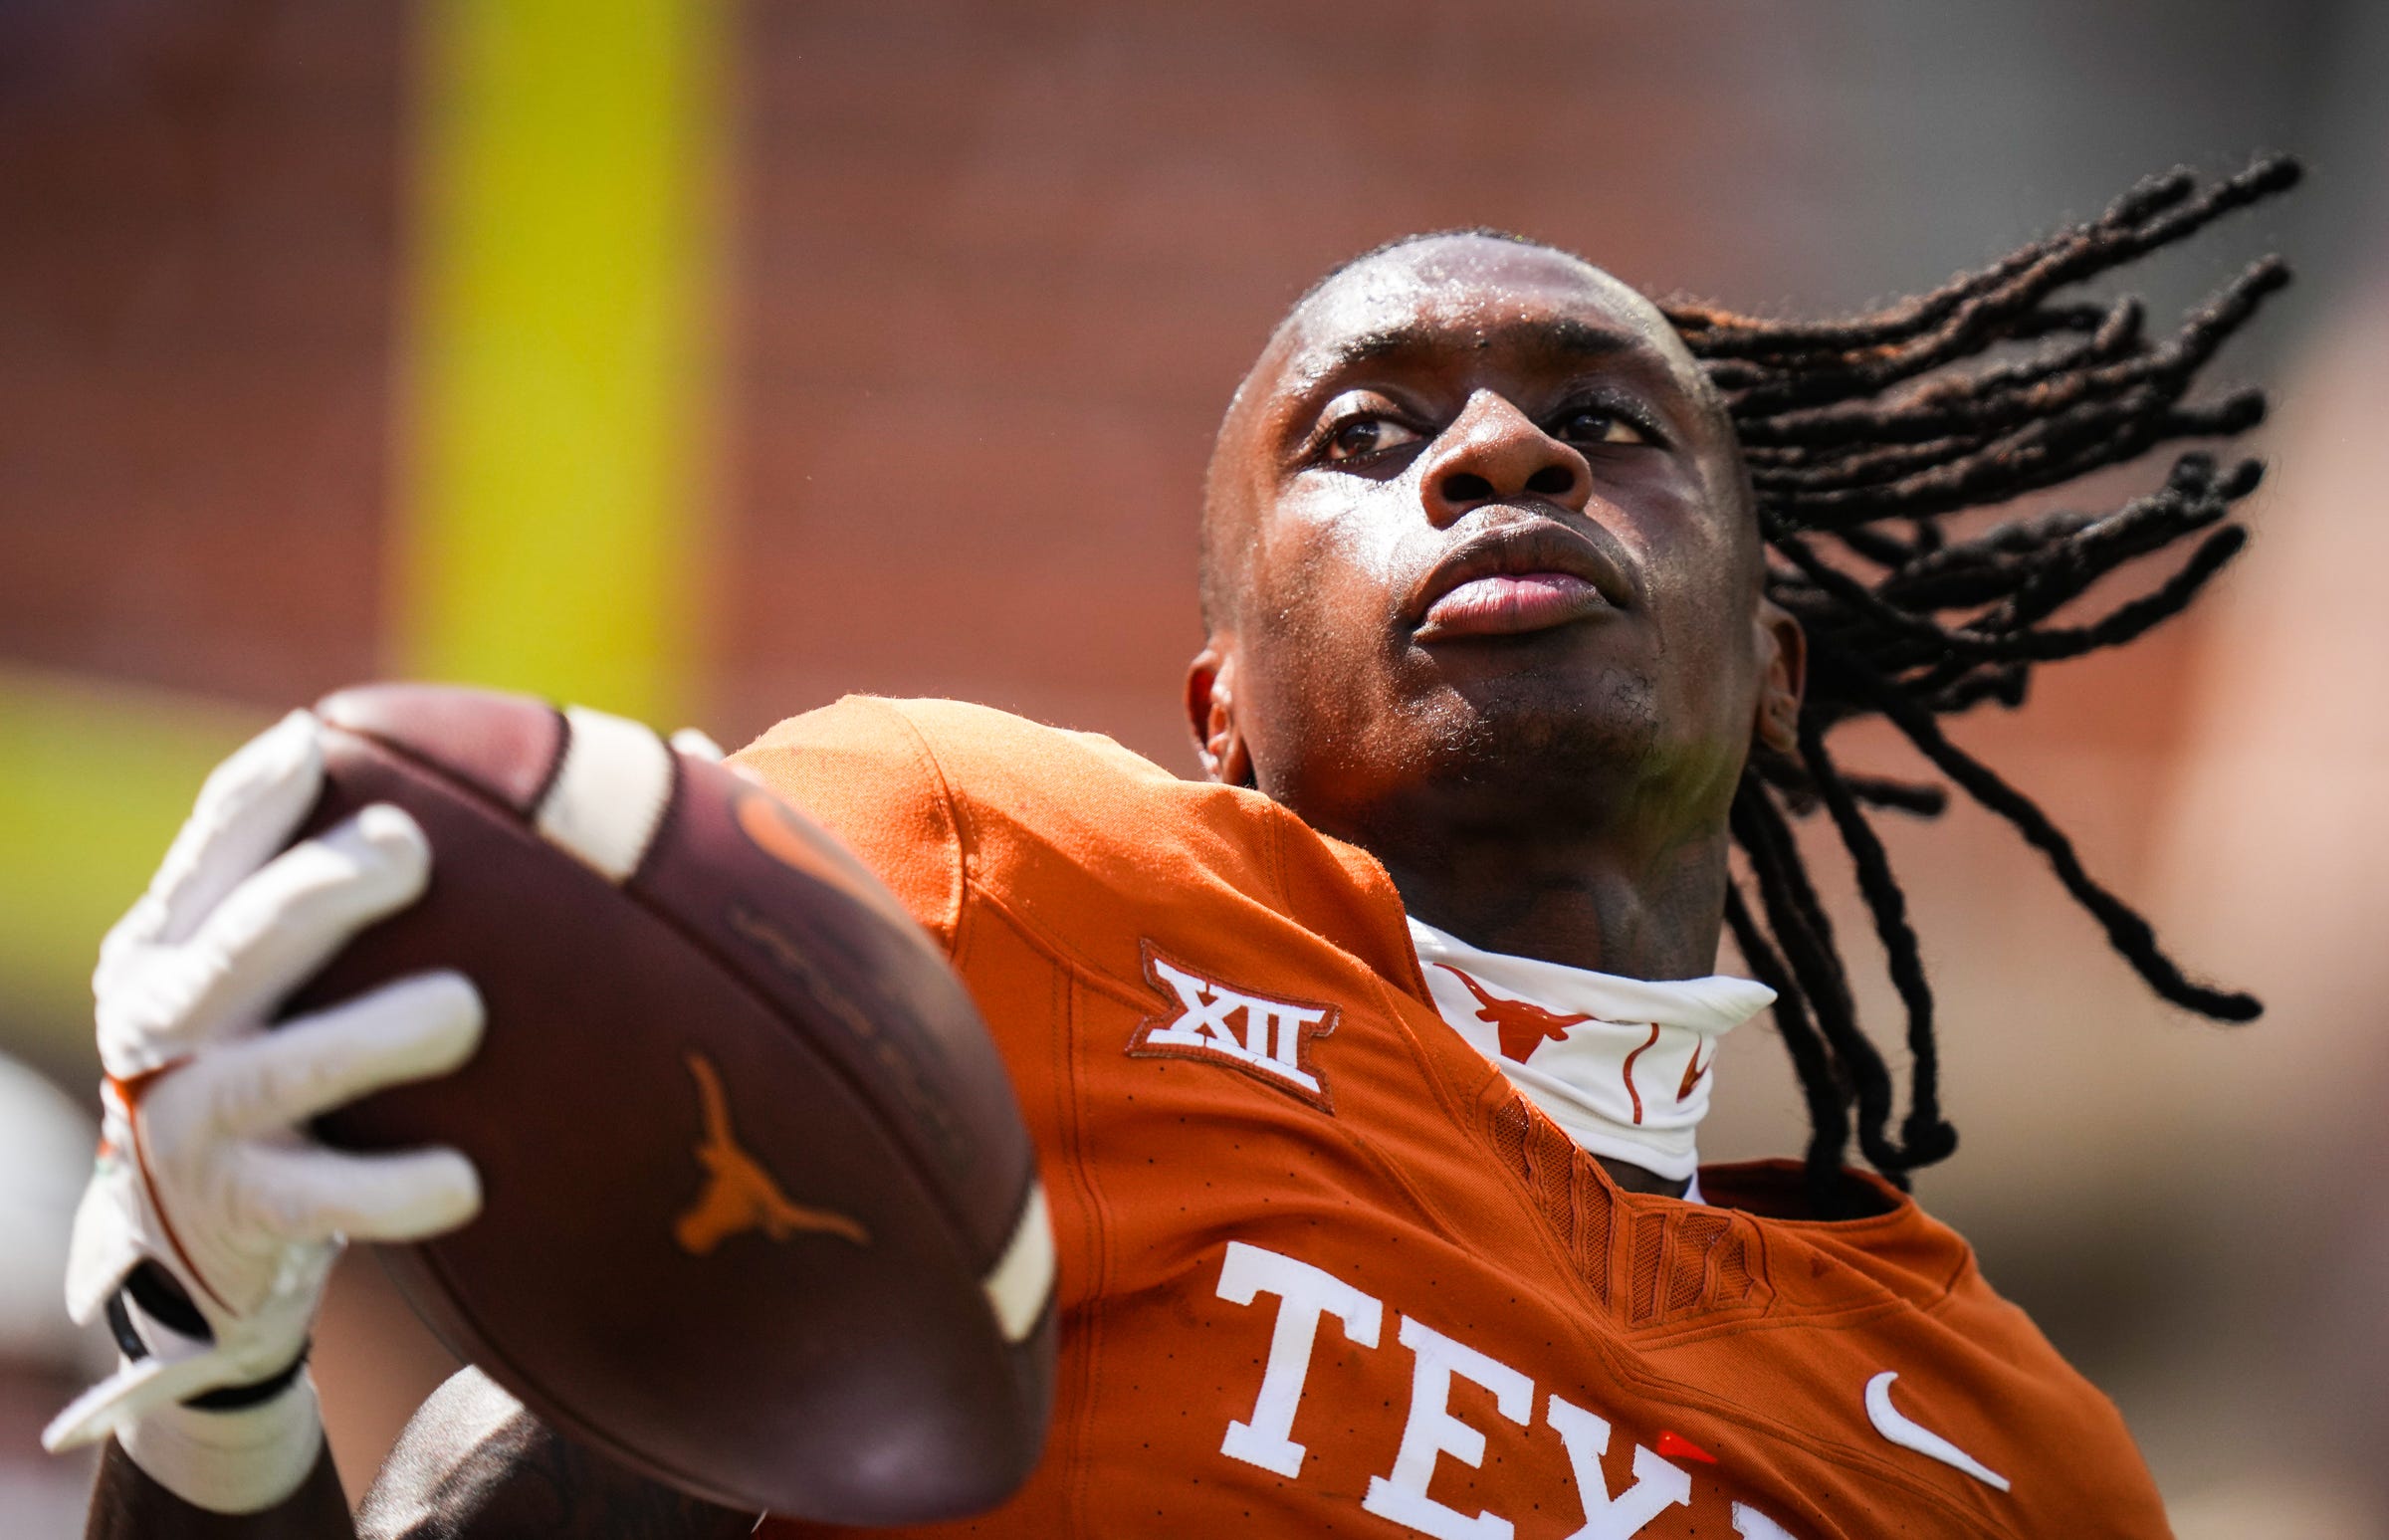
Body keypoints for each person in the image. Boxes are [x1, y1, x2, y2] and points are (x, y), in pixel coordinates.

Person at [56, 158, 2296, 1539]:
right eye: (1369, 433)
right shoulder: (992, 900)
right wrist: (213, 1376)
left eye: (1606, 424)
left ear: (1774, 667)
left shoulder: (2022, 1463)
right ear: (1220, 712)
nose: (1505, 447)